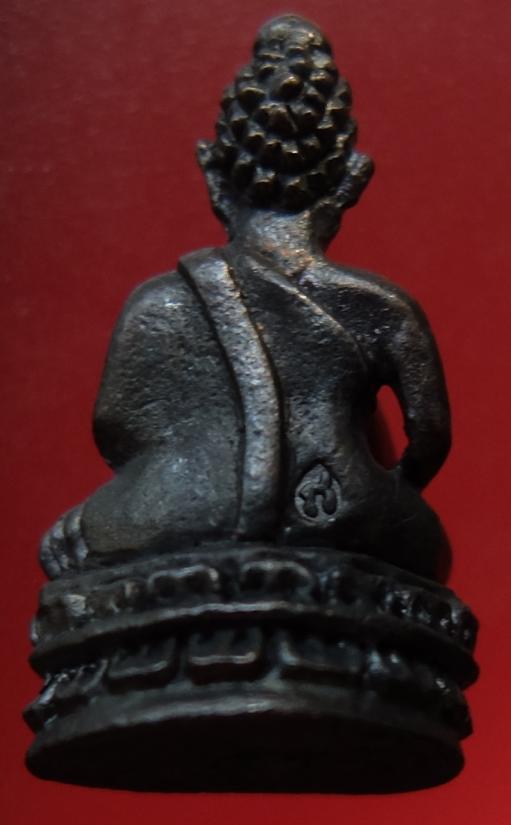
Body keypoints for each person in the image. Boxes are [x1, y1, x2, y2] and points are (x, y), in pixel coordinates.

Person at [41, 15, 450, 582]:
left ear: (213, 174)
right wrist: (387, 483)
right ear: (352, 178)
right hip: (343, 507)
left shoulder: (158, 303)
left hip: (178, 505)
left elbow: (120, 430)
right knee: (420, 542)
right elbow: (429, 437)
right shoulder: (380, 306)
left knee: (71, 543)